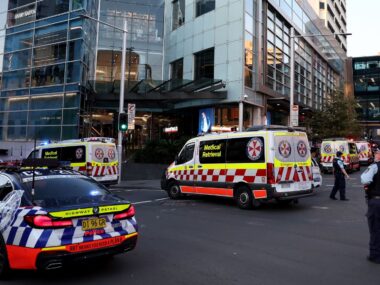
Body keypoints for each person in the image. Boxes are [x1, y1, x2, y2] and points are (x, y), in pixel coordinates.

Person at [361, 149, 380, 264]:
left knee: (375, 229)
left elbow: (365, 179)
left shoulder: (375, 166)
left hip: (376, 202)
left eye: (377, 153)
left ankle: (375, 255)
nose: (375, 155)